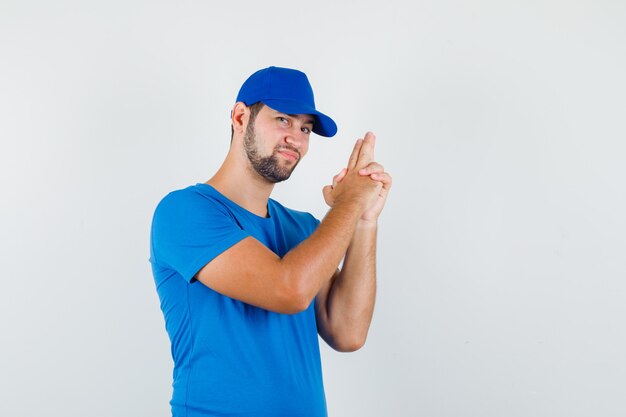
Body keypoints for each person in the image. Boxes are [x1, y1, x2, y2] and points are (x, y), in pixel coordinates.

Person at [149, 66, 392, 417]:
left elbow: (348, 331)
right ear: (240, 117)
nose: (296, 137)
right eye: (283, 120)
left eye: (305, 127)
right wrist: (349, 201)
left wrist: (365, 219)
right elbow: (288, 290)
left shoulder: (305, 229)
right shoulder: (183, 212)